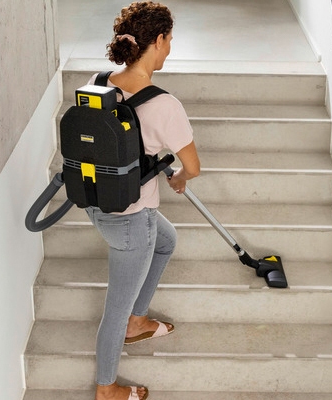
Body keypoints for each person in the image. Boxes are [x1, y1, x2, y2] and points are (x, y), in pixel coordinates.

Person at [84, 2, 200, 400]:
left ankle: (138, 321)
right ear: (158, 41)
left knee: (166, 241)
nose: (169, 50)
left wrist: (154, 163)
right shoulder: (165, 105)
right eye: (169, 42)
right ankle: (106, 388)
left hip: (95, 203)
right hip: (133, 218)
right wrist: (180, 177)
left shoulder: (98, 81)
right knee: (114, 307)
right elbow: (193, 167)